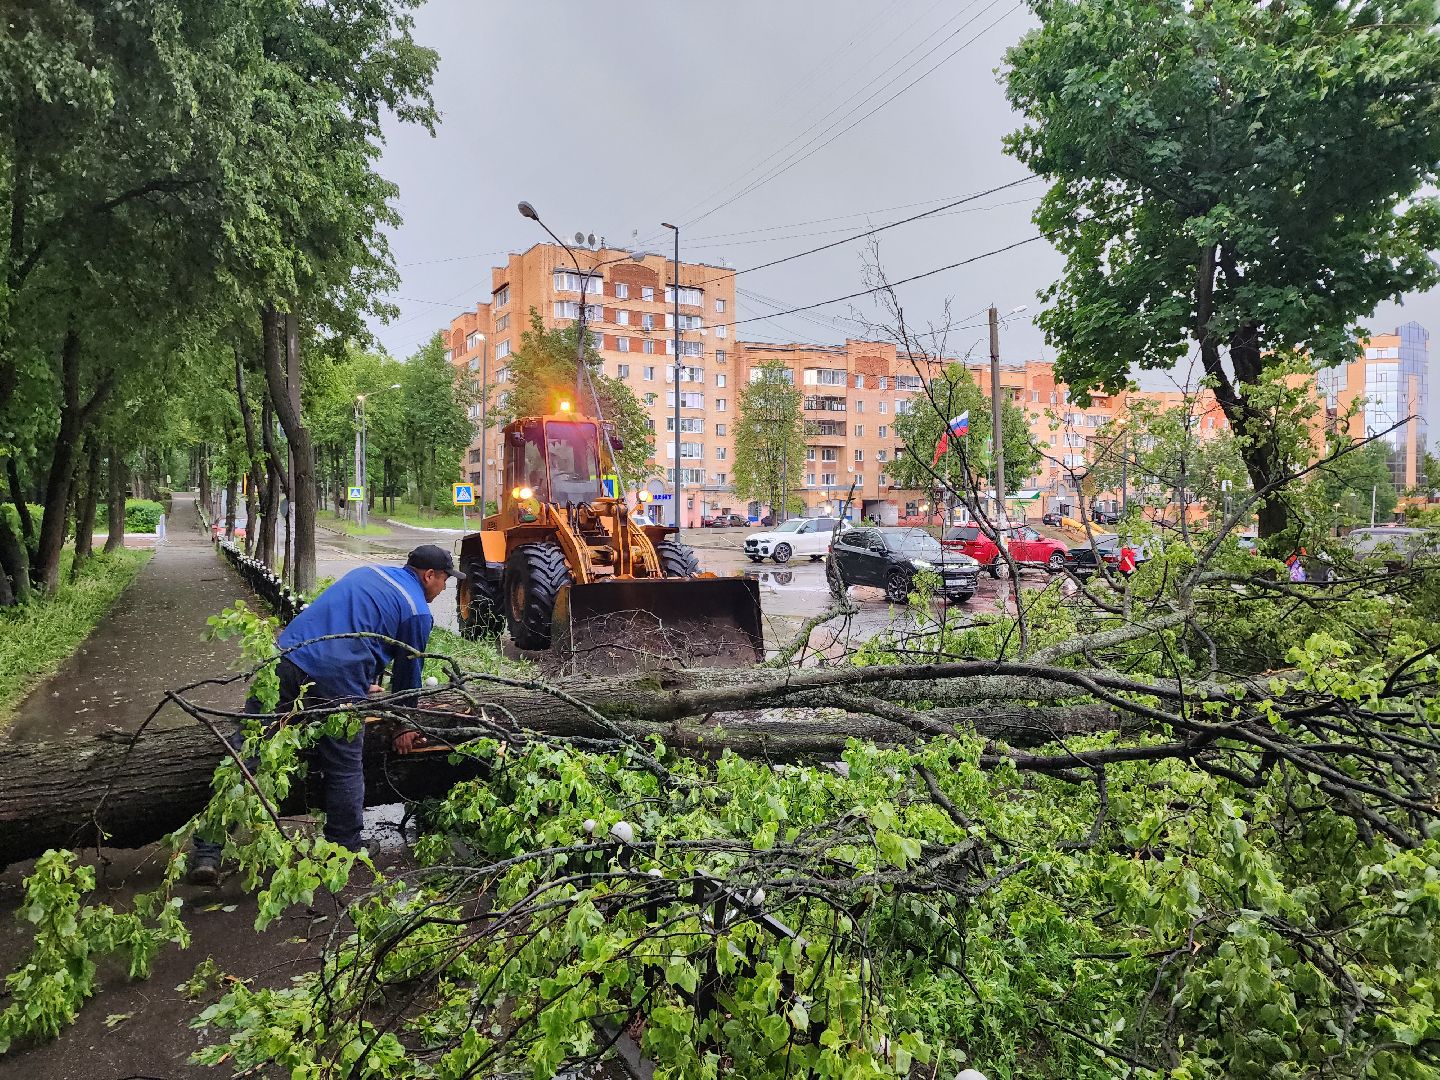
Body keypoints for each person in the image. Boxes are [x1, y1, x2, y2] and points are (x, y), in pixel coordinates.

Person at [189, 544, 462, 884]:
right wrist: (403, 726)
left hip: (286, 657)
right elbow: (409, 676)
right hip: (335, 679)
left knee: (248, 752)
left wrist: (360, 683)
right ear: (429, 575)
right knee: (344, 763)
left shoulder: (368, 573)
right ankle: (343, 846)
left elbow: (341, 626)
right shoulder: (417, 610)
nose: (445, 587)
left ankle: (207, 851)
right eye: (446, 580)